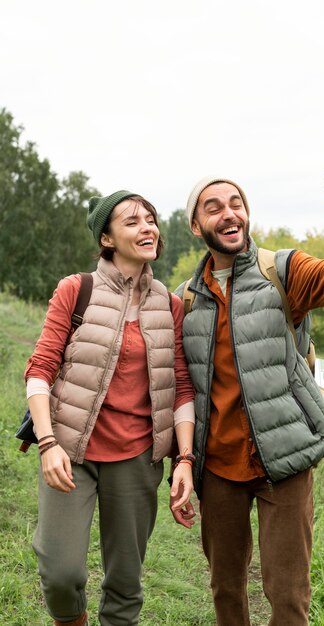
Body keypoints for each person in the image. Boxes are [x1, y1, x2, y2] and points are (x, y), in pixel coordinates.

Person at [175, 175, 324, 626]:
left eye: (236, 203)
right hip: (218, 470)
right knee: (226, 591)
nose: (229, 213)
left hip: (286, 462)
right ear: (196, 225)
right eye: (213, 207)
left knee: (289, 599)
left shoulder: (281, 271)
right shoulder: (186, 301)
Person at [25, 190, 196, 626]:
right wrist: (47, 443)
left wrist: (185, 459)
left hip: (137, 457)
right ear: (107, 238)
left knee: (125, 581)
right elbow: (41, 368)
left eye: (151, 219)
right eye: (133, 222)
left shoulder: (169, 305)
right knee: (61, 572)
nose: (148, 228)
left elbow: (180, 386)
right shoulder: (76, 290)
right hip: (70, 452)